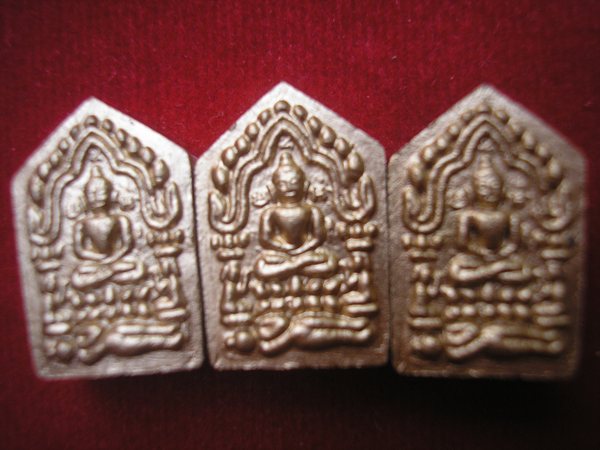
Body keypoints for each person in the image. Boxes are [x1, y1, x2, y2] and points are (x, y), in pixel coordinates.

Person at [253, 152, 337, 281]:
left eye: (294, 182)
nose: (289, 187)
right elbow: (265, 240)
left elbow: (318, 237)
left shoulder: (312, 210)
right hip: (280, 256)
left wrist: (301, 250)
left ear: (305, 185)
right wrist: (284, 249)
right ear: (273, 189)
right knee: (260, 266)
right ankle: (298, 267)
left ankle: (288, 269)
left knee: (330, 262)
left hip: (307, 253)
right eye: (282, 184)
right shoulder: (270, 212)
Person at [71, 166, 144, 289]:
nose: (97, 197)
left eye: (101, 192)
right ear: (85, 197)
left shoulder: (121, 219)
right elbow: (80, 250)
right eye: (92, 194)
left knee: (133, 266)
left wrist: (111, 259)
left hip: (117, 261)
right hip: (95, 264)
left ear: (111, 194)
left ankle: (101, 278)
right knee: (80, 271)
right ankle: (110, 275)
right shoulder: (82, 224)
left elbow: (126, 246)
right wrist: (100, 258)